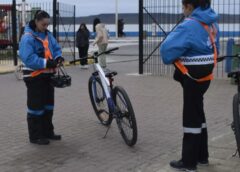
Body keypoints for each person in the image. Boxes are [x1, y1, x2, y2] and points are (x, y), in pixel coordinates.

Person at [160, 0, 220, 171]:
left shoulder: (189, 25)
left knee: (191, 119)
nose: (182, 10)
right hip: (206, 76)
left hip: (192, 77)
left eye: (183, 6)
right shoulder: (212, 23)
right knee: (198, 113)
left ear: (189, 7)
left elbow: (167, 50)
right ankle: (202, 156)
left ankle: (189, 163)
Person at [19, 10, 64, 145]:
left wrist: (58, 57)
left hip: (47, 75)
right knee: (36, 107)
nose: (46, 27)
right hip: (34, 77)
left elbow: (55, 48)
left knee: (48, 106)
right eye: (43, 24)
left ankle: (47, 132)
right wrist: (46, 63)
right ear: (37, 22)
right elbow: (28, 58)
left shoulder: (47, 34)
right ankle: (35, 136)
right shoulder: (27, 38)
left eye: (47, 24)